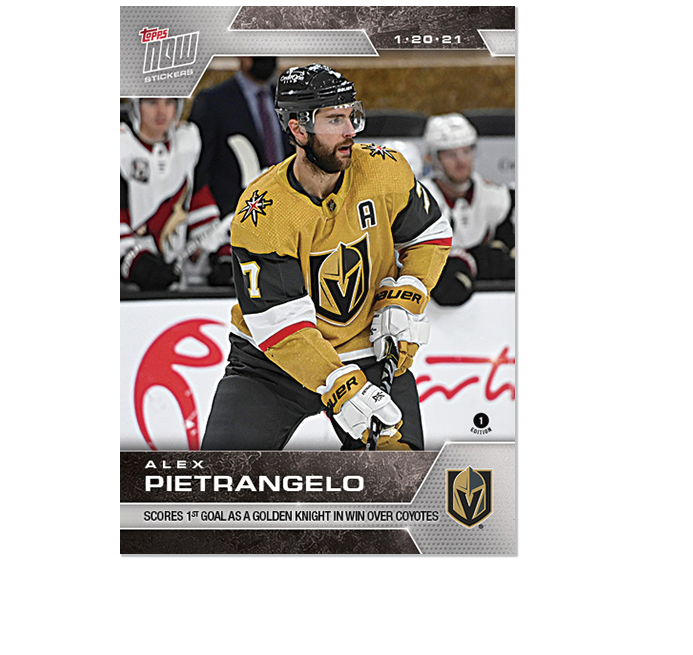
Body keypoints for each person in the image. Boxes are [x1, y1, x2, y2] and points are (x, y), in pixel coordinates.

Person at [201, 64, 452, 451]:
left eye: (352, 115)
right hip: (272, 365)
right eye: (335, 119)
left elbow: (429, 235)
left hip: (368, 350)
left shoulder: (384, 169)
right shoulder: (262, 211)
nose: (351, 130)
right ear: (298, 130)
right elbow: (281, 325)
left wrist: (407, 294)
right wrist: (340, 385)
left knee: (401, 479)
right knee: (220, 476)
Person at [119, 98, 230, 291]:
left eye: (170, 102)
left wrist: (221, 253)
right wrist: (138, 264)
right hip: (129, 293)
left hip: (179, 286)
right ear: (136, 106)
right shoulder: (121, 147)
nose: (162, 112)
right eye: (152, 102)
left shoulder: (187, 144)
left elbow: (201, 211)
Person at [420, 113, 516, 307]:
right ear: (433, 159)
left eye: (467, 151)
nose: (461, 162)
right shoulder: (416, 201)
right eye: (450, 155)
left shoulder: (495, 197)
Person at [188, 57, 291, 219]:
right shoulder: (213, 101)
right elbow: (200, 168)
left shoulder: (288, 100)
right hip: (233, 216)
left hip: (285, 212)